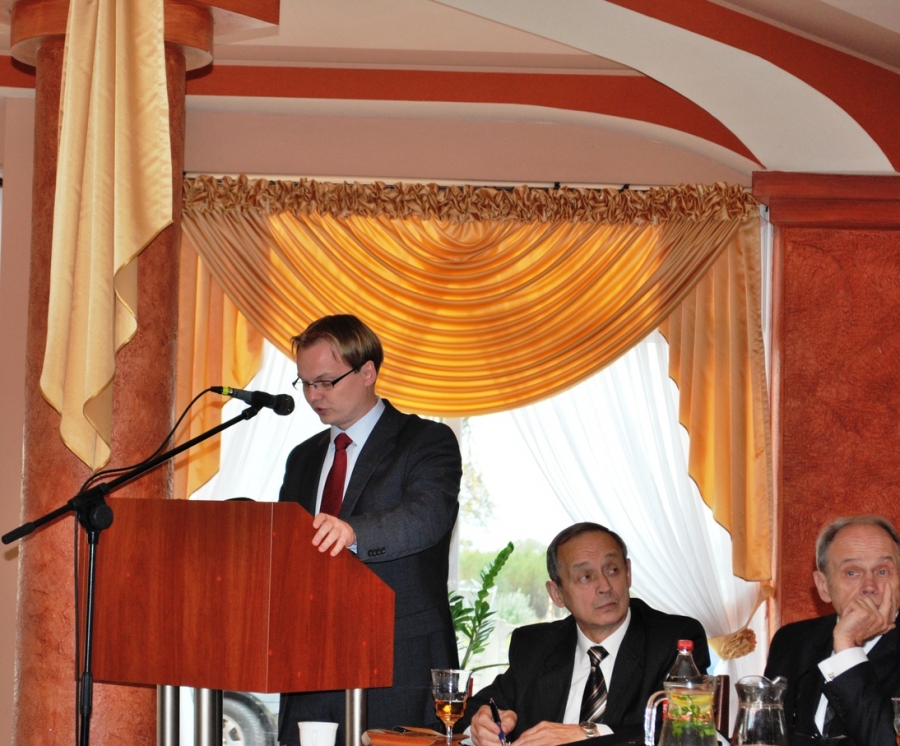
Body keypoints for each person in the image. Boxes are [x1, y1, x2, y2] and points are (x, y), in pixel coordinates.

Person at [277, 314, 462, 745]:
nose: (313, 396)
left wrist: (353, 532)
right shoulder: (302, 458)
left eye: (326, 382)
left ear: (367, 372)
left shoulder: (425, 441)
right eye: (305, 383)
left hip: (398, 661)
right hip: (310, 665)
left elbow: (428, 516)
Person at [460, 522, 710, 746]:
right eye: (585, 577)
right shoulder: (536, 645)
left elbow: (686, 729)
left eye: (612, 570)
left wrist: (587, 732)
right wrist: (481, 727)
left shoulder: (673, 641)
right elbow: (469, 712)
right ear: (557, 594)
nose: (605, 586)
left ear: (628, 573)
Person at [764, 515, 900, 745]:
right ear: (823, 586)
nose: (869, 586)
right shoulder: (792, 641)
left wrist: (847, 648)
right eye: (852, 572)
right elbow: (768, 735)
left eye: (882, 571)